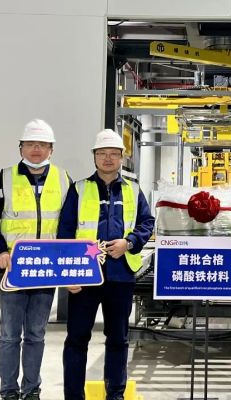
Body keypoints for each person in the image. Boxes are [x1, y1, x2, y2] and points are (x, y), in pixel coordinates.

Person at [0, 119, 70, 400]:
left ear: (51, 149)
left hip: (46, 270)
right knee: (9, 334)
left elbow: (70, 224)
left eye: (42, 145)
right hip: (12, 269)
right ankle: (8, 391)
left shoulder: (64, 179)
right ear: (21, 148)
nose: (36, 149)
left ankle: (31, 390)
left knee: (36, 334)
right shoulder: (3, 180)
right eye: (30, 144)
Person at [57, 129, 155, 400]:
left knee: (118, 339)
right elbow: (65, 232)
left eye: (113, 154)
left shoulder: (133, 189)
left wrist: (129, 242)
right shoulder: (79, 189)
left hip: (120, 275)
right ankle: (73, 396)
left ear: (122, 157)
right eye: (102, 153)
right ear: (94, 157)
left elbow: (147, 222)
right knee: (76, 339)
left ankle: (115, 394)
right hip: (84, 277)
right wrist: (67, 274)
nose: (108, 158)